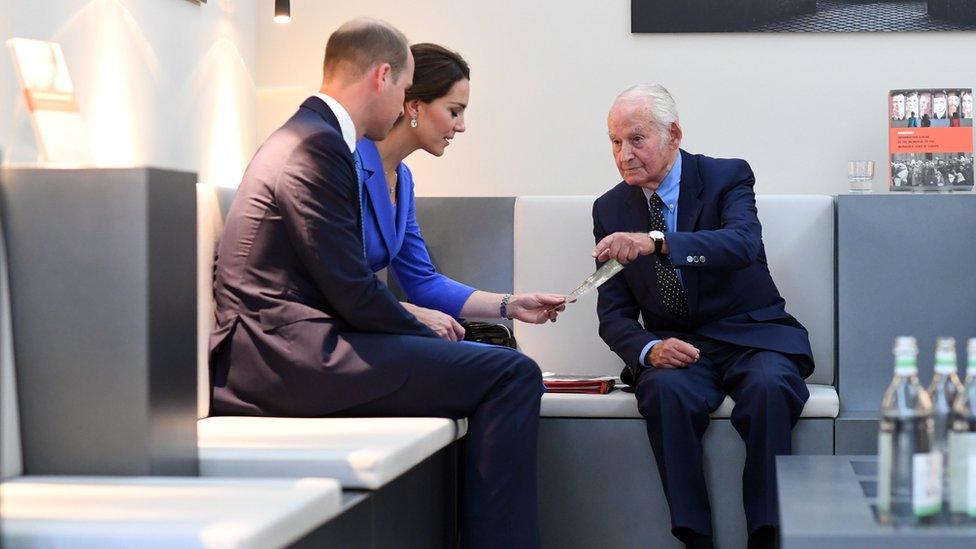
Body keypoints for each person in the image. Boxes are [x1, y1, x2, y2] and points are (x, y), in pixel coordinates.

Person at [209, 19, 563, 548]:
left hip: (295, 344)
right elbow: (352, 289)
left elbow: (384, 282)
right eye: (404, 88)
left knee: (499, 368)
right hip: (279, 358)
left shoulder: (316, 139)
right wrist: (427, 328)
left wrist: (497, 310)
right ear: (384, 78)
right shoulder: (320, 149)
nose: (403, 103)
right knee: (511, 375)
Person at [591, 84, 812, 549]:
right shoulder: (610, 208)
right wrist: (649, 349)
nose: (624, 155)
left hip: (752, 336)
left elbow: (741, 244)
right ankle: (694, 538)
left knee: (770, 388)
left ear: (673, 134)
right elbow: (613, 314)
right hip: (679, 349)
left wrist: (657, 242)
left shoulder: (725, 177)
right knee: (665, 391)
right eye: (615, 142)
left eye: (636, 139)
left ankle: (767, 536)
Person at [353, 43, 557, 336]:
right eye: (454, 111)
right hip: (339, 335)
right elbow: (338, 282)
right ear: (414, 106)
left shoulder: (403, 180)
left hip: (370, 329)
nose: (461, 126)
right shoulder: (348, 165)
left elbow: (423, 282)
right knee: (509, 369)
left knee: (510, 366)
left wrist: (511, 305)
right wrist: (413, 314)